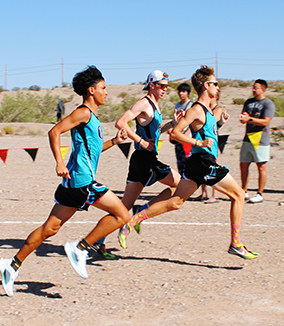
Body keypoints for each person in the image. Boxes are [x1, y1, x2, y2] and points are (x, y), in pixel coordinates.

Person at [0, 66, 130, 296]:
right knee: (122, 215)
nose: (107, 92)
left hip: (74, 183)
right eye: (103, 88)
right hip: (82, 182)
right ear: (91, 90)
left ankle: (11, 265)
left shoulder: (93, 118)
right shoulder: (84, 113)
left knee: (50, 229)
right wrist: (59, 162)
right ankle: (80, 248)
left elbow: (94, 152)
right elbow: (54, 132)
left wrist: (115, 141)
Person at [117, 65, 259, 260]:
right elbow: (175, 135)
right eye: (215, 84)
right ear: (206, 85)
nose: (218, 87)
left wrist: (219, 124)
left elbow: (204, 133)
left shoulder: (208, 111)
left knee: (175, 203)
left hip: (198, 162)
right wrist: (198, 142)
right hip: (202, 162)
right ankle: (236, 244)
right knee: (239, 195)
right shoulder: (196, 109)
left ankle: (133, 221)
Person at [90, 70, 182, 258]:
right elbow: (121, 122)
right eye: (161, 85)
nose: (165, 89)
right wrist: (140, 141)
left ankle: (96, 242)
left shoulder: (155, 105)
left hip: (140, 159)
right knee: (181, 185)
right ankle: (142, 211)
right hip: (145, 160)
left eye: (166, 85)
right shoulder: (144, 103)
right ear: (152, 85)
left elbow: (155, 133)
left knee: (123, 208)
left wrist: (172, 123)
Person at [238, 79, 275, 204]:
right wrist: (243, 119)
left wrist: (250, 119)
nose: (254, 89)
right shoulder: (248, 102)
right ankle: (244, 191)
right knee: (244, 165)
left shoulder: (268, 103)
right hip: (248, 138)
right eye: (253, 87)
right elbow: (244, 117)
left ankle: (260, 193)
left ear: (263, 89)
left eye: (256, 87)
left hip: (261, 139)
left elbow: (265, 121)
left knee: (261, 166)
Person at [172, 83, 194, 177]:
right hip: (178, 138)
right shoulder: (177, 105)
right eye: (180, 91)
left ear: (188, 93)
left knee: (189, 162)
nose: (181, 93)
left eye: (183, 91)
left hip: (187, 139)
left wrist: (184, 135)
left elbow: (192, 123)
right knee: (180, 162)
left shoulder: (191, 105)